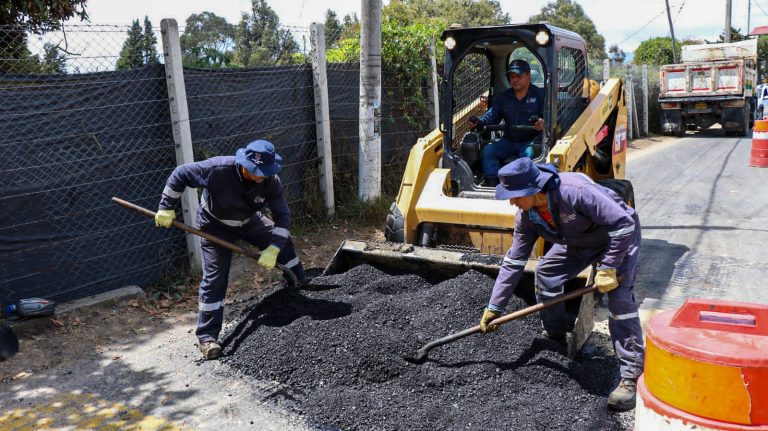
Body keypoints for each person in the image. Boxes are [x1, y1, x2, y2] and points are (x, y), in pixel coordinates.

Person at [478, 157, 644, 412]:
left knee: (620, 301)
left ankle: (630, 377)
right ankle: (556, 337)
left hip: (617, 239)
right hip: (579, 242)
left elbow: (623, 224)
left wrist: (609, 267)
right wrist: (495, 306)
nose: (512, 202)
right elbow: (514, 261)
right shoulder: (527, 215)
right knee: (546, 272)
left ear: (534, 190)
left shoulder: (575, 191)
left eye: (514, 195)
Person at [154, 140, 309, 360]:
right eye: (257, 172)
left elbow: (283, 217)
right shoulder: (217, 170)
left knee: (284, 243)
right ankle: (207, 338)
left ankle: (299, 280)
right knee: (215, 278)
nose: (261, 176)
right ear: (244, 164)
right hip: (215, 226)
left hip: (249, 220)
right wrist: (166, 207)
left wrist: (274, 248)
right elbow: (180, 174)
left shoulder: (271, 181)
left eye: (265, 172)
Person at [468, 59, 545, 186]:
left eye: (518, 76)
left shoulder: (540, 95)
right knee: (489, 150)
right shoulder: (503, 97)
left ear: (528, 76)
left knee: (528, 155)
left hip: (530, 140)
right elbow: (492, 116)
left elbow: (548, 118)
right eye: (511, 76)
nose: (514, 80)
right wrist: (478, 121)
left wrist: (543, 123)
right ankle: (493, 184)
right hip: (509, 140)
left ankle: (523, 187)